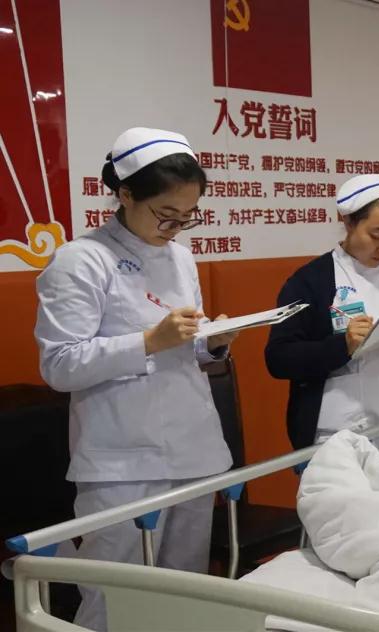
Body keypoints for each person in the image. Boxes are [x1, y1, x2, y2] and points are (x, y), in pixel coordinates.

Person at [35, 127, 237, 630]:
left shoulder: (181, 257)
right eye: (166, 214)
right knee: (116, 601)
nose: (176, 227)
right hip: (122, 461)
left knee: (184, 594)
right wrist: (148, 341)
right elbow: (60, 364)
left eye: (188, 216)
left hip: (194, 447)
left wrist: (212, 343)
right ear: (125, 195)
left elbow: (182, 347)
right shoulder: (81, 260)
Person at [265, 174, 379, 455]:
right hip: (334, 437)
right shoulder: (310, 281)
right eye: (376, 235)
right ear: (348, 222)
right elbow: (279, 359)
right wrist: (342, 345)